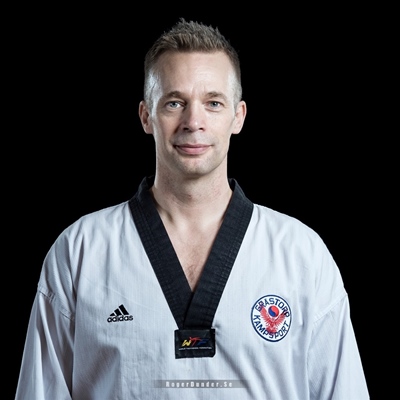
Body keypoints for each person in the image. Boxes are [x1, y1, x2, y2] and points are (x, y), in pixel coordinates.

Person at [15, 18, 369, 399]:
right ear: (146, 116)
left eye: (213, 103)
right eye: (174, 103)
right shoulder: (80, 252)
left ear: (238, 116)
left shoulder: (302, 255)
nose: (193, 122)